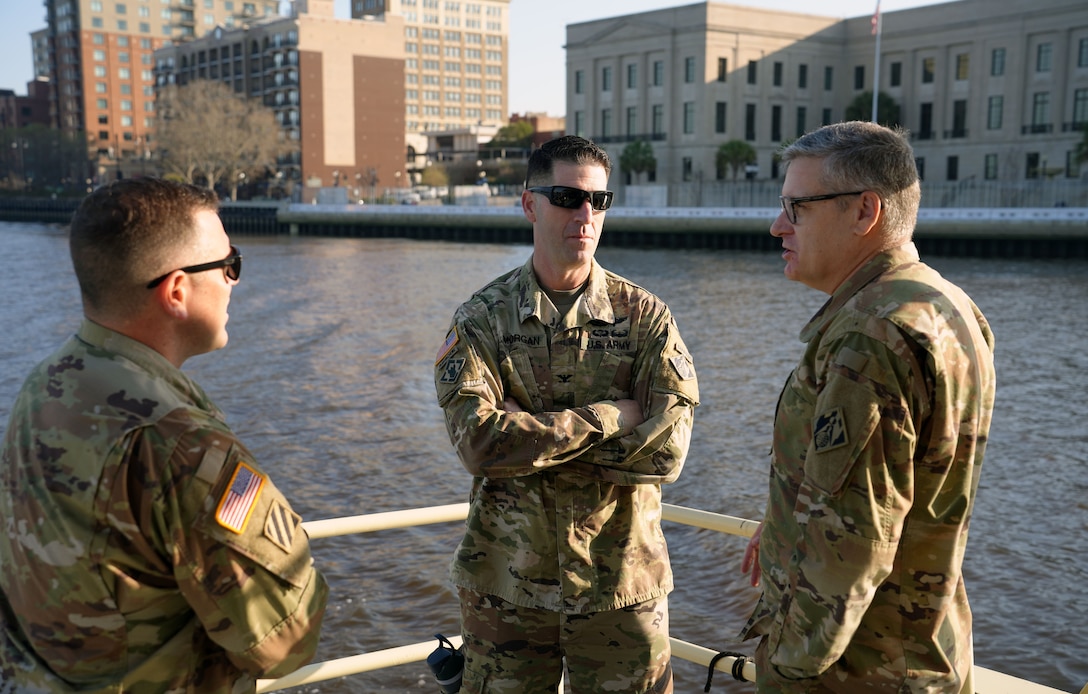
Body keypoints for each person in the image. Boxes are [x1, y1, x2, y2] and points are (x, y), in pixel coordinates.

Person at [0, 178, 329, 693]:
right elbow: (286, 639)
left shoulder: (44, 384)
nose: (234, 281)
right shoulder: (179, 443)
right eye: (229, 266)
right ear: (177, 291)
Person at [433, 135, 699, 693]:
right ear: (530, 204)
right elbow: (479, 445)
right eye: (567, 197)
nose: (585, 215)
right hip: (507, 589)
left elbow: (668, 451)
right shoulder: (482, 320)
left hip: (620, 590)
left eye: (598, 201)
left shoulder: (647, 319)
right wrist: (612, 416)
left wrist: (525, 434)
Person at [738, 121, 996, 692]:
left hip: (857, 671)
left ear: (863, 212)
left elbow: (851, 541)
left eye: (796, 207)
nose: (777, 225)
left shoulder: (871, 336)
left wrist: (783, 669)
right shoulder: (944, 303)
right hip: (922, 650)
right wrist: (784, 521)